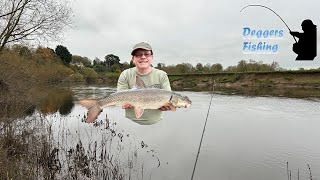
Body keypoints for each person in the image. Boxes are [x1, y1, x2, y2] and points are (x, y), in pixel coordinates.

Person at [117, 42, 174, 124]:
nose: (143, 57)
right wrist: (123, 103)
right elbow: (120, 95)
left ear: (152, 57)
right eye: (138, 55)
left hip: (157, 122)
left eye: (147, 54)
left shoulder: (162, 75)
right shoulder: (125, 74)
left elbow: (168, 97)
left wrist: (168, 106)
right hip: (129, 122)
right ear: (133, 59)